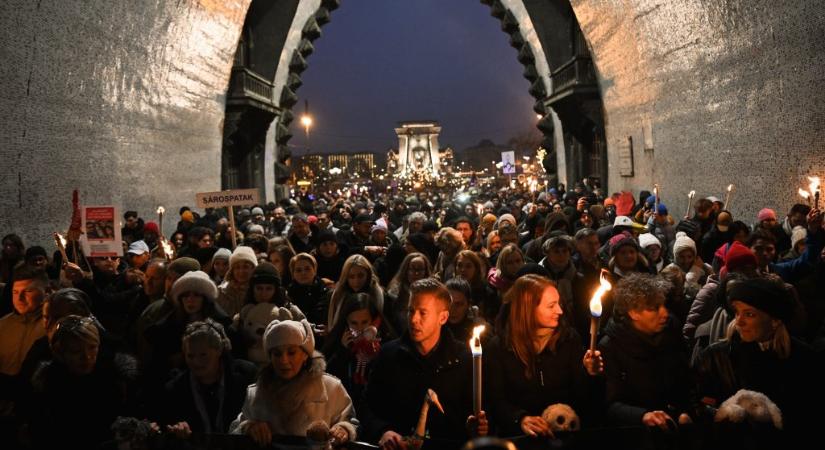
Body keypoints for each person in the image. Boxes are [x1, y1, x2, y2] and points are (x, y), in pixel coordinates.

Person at [362, 278, 487, 448]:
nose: (414, 320)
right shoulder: (389, 355)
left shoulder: (463, 359)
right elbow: (367, 406)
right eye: (410, 311)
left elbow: (477, 415)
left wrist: (473, 427)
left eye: (423, 312)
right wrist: (383, 431)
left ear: (442, 317)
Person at [695, 277, 820, 444]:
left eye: (749, 314)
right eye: (737, 312)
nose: (739, 321)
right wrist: (721, 413)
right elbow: (695, 406)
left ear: (775, 320)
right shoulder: (714, 357)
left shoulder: (805, 359)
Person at [486, 275, 602, 437]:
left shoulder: (569, 340)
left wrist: (589, 374)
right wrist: (520, 419)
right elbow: (496, 401)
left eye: (559, 304)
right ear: (528, 308)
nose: (560, 311)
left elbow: (584, 399)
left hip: (564, 436)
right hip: (521, 439)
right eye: (551, 306)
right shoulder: (498, 348)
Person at [230, 319, 357, 445]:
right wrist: (249, 427)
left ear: (305, 354)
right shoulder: (256, 394)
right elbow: (235, 430)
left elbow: (351, 421)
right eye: (277, 354)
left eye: (291, 352)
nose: (284, 360)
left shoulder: (331, 388)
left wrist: (343, 429)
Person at [598, 273, 695, 429]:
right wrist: (643, 416)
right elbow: (610, 405)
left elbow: (685, 380)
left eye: (664, 305)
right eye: (654, 308)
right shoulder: (610, 346)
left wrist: (686, 411)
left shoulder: (672, 330)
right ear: (633, 312)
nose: (664, 313)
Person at [27, 315, 138, 448]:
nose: (86, 357)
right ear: (60, 353)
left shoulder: (114, 380)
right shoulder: (48, 385)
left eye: (92, 347)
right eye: (76, 351)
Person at [154, 319, 257, 437]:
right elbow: (166, 426)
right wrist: (176, 430)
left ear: (219, 350)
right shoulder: (176, 388)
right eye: (190, 356)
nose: (196, 362)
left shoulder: (246, 377)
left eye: (203, 355)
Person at [322, 293, 396, 412]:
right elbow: (327, 376)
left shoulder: (385, 341)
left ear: (374, 321)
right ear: (346, 322)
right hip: (345, 407)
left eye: (364, 322)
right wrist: (342, 351)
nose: (360, 328)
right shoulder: (338, 340)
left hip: (376, 407)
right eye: (354, 323)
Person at [327, 254, 385, 329]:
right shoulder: (337, 296)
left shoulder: (380, 295)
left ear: (368, 275)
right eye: (351, 277)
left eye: (361, 276)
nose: (356, 281)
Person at [385, 252, 432, 334]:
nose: (416, 273)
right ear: (406, 270)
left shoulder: (432, 293)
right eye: (412, 269)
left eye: (420, 269)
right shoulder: (394, 294)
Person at [286, 253, 331, 326]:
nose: (303, 273)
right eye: (298, 270)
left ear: (314, 270)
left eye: (307, 269)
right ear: (293, 274)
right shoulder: (288, 297)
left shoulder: (327, 292)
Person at [217, 246, 258, 318]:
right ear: (232, 271)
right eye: (237, 267)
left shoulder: (259, 291)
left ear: (253, 269)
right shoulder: (222, 292)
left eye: (245, 267)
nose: (241, 271)